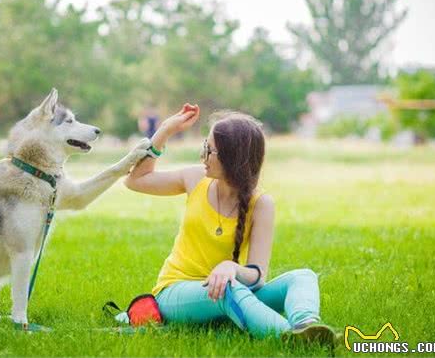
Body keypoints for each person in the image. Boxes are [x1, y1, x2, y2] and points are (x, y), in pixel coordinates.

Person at [124, 104, 337, 345]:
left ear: (231, 158)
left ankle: (306, 325)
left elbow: (257, 275)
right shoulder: (195, 179)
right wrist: (164, 130)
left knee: (303, 276)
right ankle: (291, 337)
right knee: (228, 289)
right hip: (176, 291)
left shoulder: (261, 204)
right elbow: (136, 180)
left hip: (227, 289)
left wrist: (231, 268)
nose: (202, 155)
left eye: (209, 150)